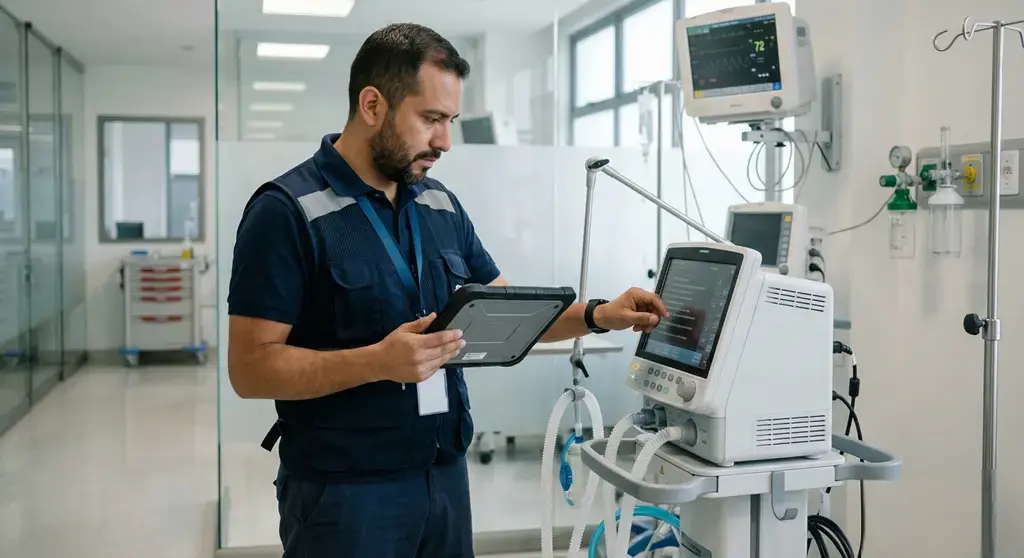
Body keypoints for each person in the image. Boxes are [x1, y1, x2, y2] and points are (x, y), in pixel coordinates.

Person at [226, 22, 669, 558]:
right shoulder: (287, 211)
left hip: (444, 477)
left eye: (450, 120)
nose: (445, 141)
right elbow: (250, 369)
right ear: (372, 105)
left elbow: (511, 312)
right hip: (344, 494)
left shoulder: (439, 203)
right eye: (431, 119)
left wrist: (599, 314)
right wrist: (377, 362)